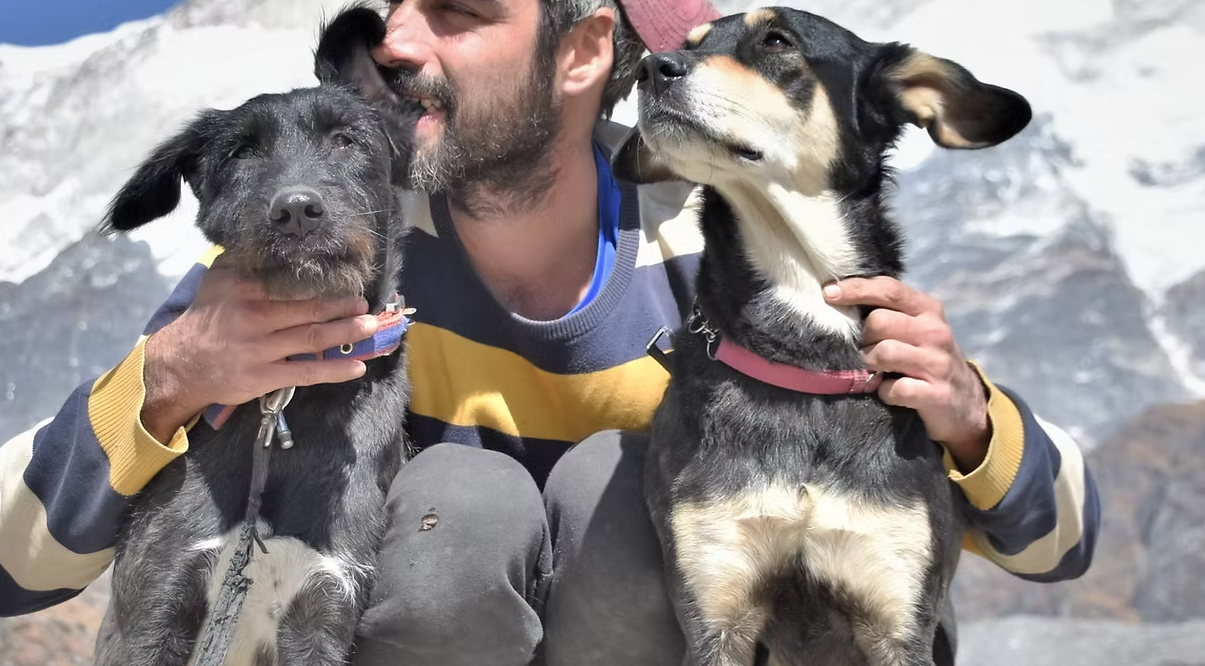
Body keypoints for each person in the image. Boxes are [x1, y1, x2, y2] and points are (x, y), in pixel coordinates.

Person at [0, 0, 1100, 664]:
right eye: (398, 8)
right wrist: (167, 382)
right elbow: (15, 566)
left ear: (580, 54)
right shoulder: (329, 245)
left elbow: (1059, 542)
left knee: (611, 498)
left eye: (460, 13)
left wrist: (967, 423)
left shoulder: (714, 243)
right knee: (460, 518)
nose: (395, 41)